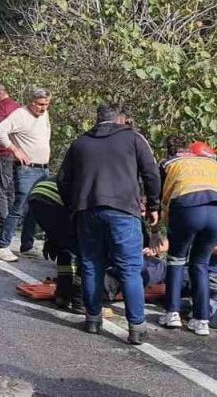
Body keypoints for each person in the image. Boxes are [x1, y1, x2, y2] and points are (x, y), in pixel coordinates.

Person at [58, 103, 161, 345]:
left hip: (87, 211)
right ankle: (136, 327)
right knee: (130, 268)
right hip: (123, 210)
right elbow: (151, 173)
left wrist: (75, 205)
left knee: (91, 264)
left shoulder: (80, 143)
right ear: (121, 120)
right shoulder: (134, 139)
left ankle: (93, 319)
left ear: (97, 119)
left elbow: (63, 180)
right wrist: (154, 205)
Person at [158, 136, 217, 336]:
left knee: (176, 260)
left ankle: (172, 313)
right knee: (200, 264)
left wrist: (156, 227)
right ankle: (201, 320)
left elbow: (157, 194)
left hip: (188, 208)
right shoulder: (210, 162)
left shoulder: (168, 163)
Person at [0, 87, 52, 262]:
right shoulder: (20, 115)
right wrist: (14, 150)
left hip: (42, 169)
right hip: (27, 169)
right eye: (40, 104)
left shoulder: (44, 115)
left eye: (46, 104)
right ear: (32, 102)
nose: (43, 108)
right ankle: (2, 245)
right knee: (19, 207)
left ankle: (27, 245)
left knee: (35, 207)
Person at [26, 176, 81, 311]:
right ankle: (79, 300)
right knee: (84, 252)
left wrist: (51, 238)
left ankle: (63, 295)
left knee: (64, 248)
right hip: (55, 198)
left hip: (38, 194)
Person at [0, 84, 22, 227]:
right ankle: (13, 220)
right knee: (11, 188)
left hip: (4, 152)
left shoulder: (0, 107)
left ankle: (3, 221)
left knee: (1, 188)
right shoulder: (18, 107)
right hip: (18, 152)